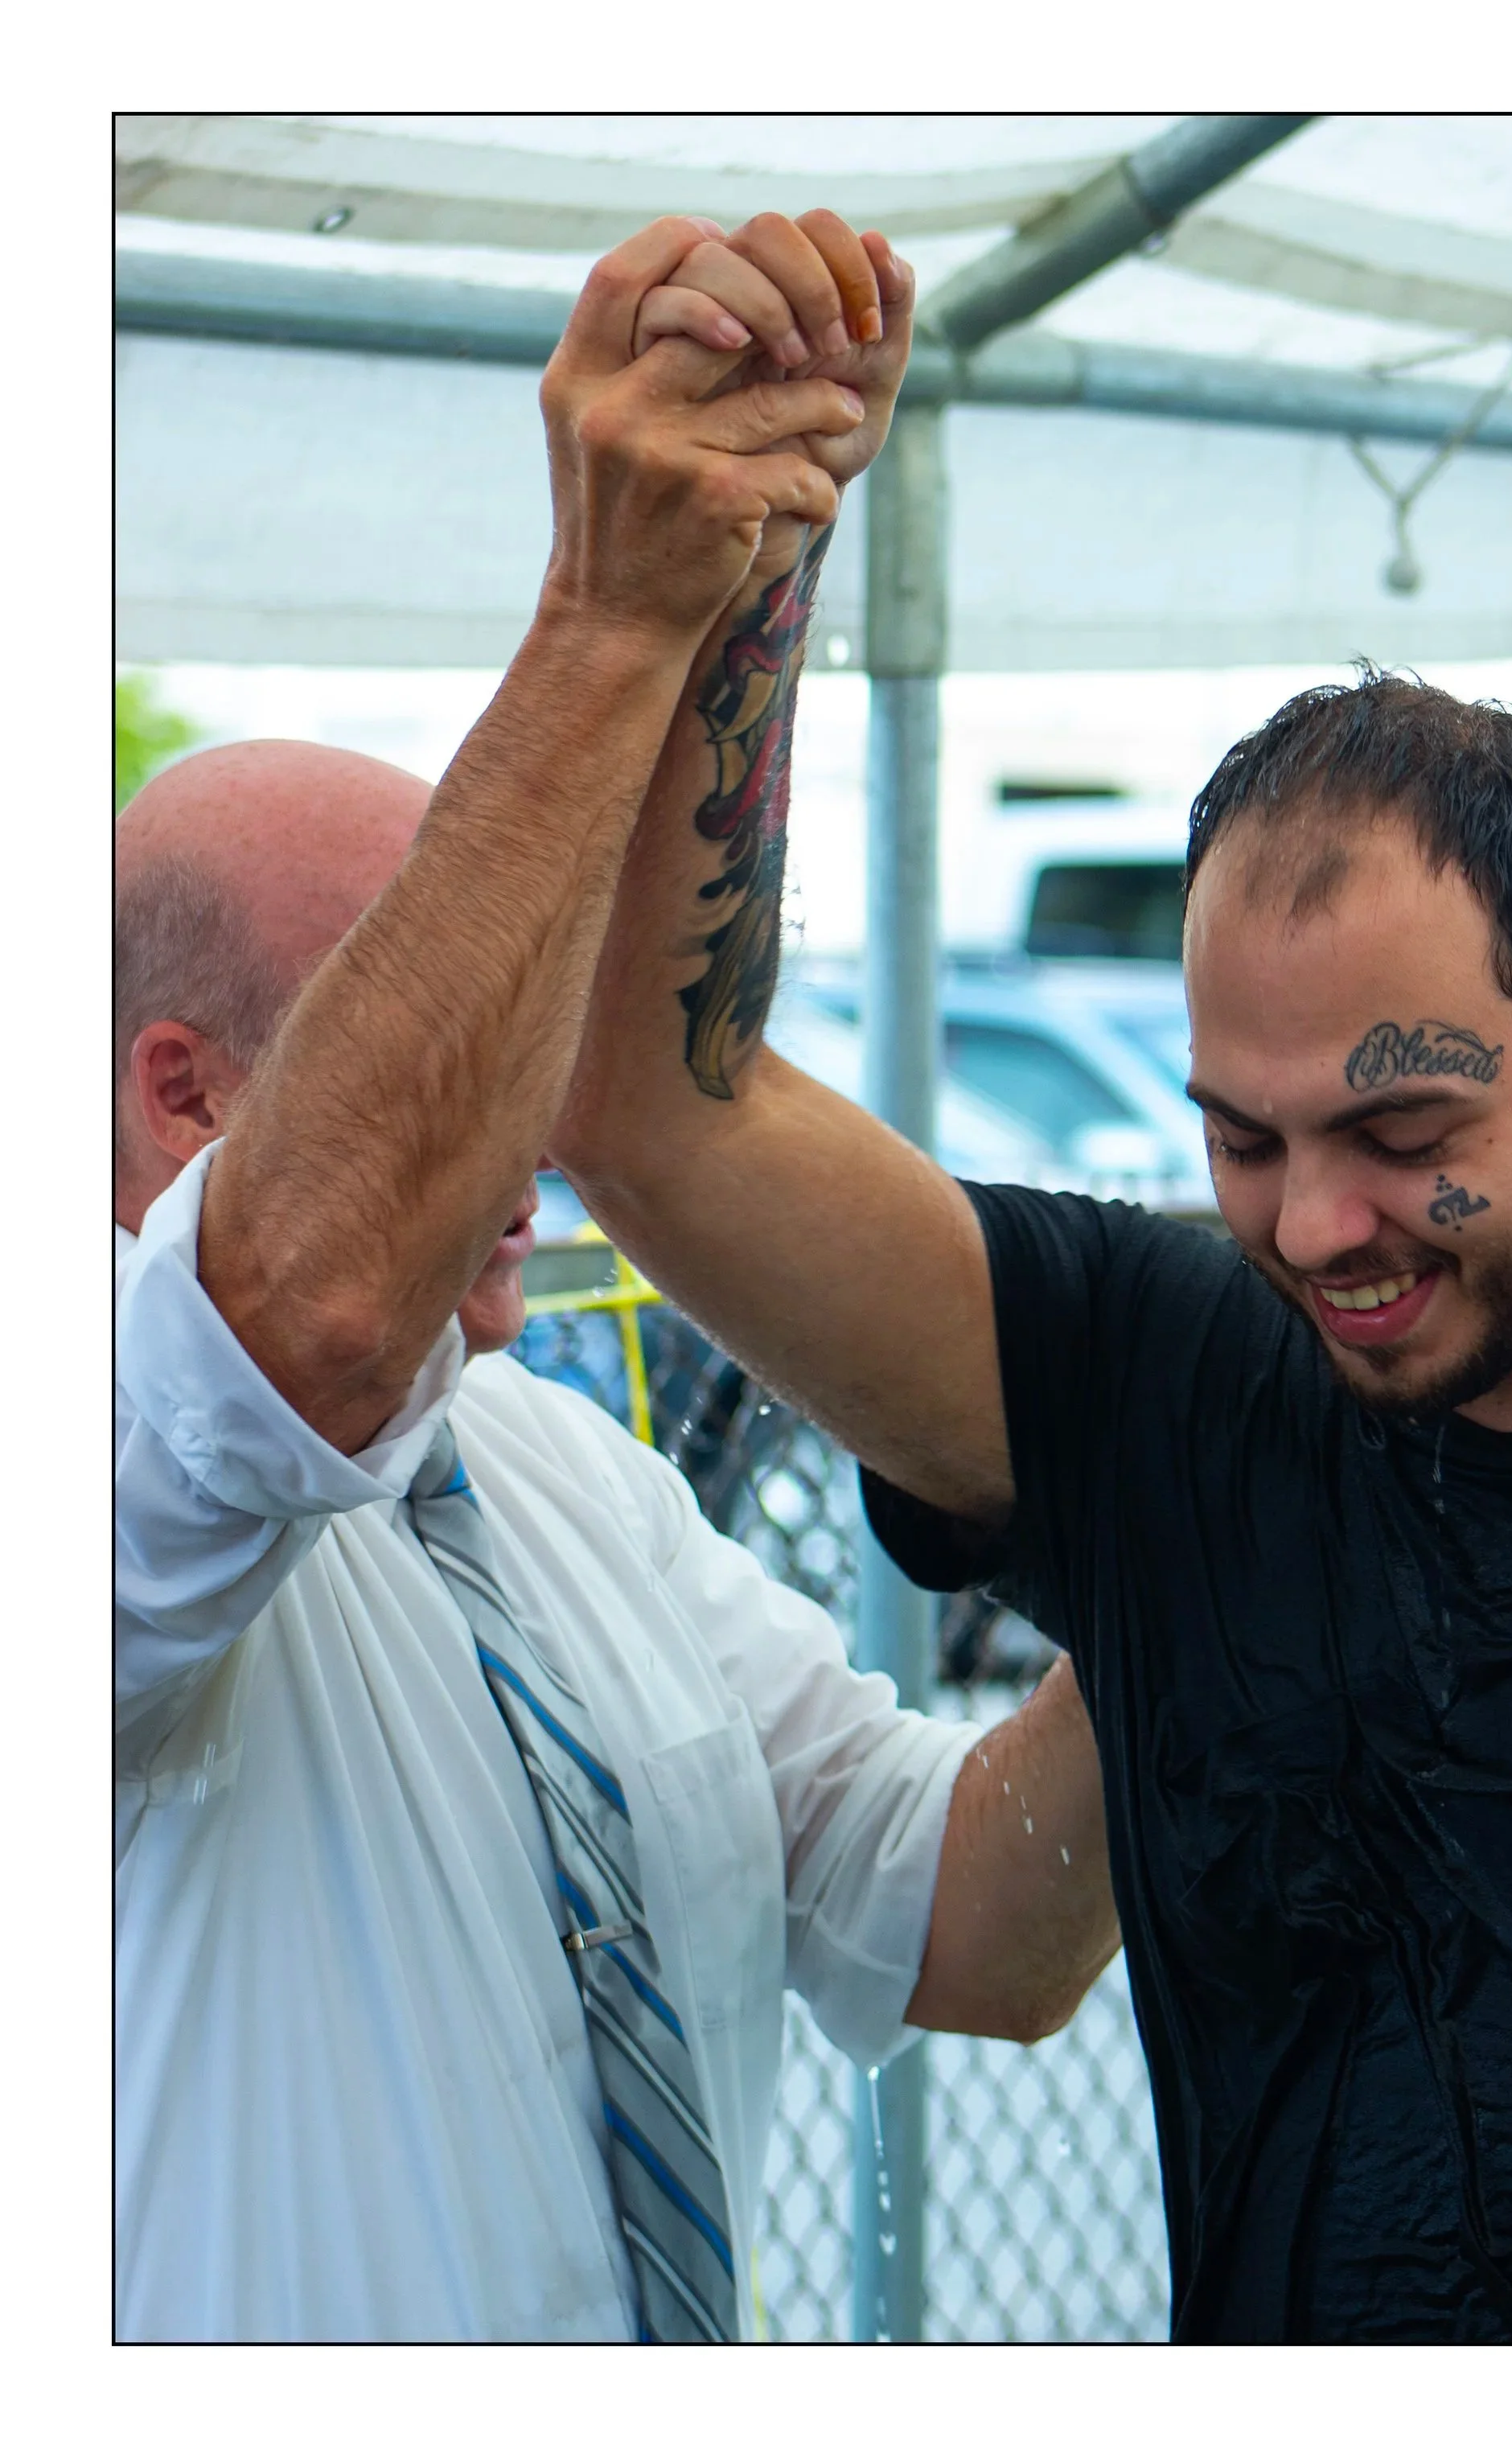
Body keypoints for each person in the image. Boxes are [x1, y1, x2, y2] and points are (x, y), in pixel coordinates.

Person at [551, 212, 1512, 2344]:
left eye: (1405, 1135)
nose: (1309, 1230)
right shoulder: (1177, 1381)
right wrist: (732, 564)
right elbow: (649, 1107)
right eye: (1238, 1136)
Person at [114, 216, 1118, 2345]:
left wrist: (1220, 1545)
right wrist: (608, 604)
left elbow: (971, 1924)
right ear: (184, 1099)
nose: (537, 1130)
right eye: (452, 1050)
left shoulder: (566, 1481)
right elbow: (295, 1316)